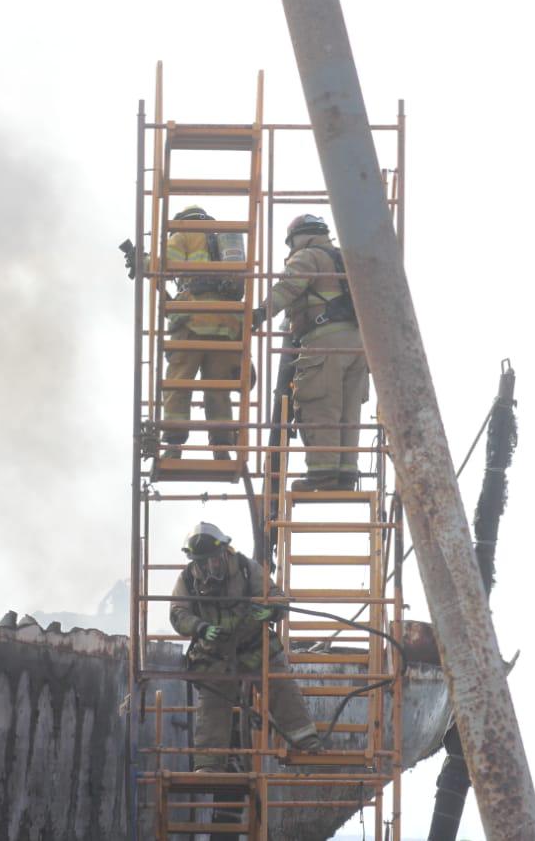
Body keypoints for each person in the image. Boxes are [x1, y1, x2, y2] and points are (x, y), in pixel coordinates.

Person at [169, 522, 322, 772]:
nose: (211, 567)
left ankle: (306, 741)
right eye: (204, 562)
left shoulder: (245, 568)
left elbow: (276, 595)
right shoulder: (187, 578)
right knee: (212, 703)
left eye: (215, 560)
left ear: (224, 552)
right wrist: (200, 628)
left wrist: (270, 610)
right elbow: (178, 612)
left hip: (253, 645)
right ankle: (209, 763)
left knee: (280, 685)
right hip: (214, 652)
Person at [255, 214, 368, 491]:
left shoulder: (308, 257)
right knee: (348, 412)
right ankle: (345, 476)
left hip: (324, 343)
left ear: (298, 238)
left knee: (321, 408)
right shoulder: (347, 258)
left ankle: (323, 476)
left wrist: (259, 315)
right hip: (360, 345)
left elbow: (287, 288)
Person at [161, 205, 243, 460]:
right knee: (218, 389)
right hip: (226, 325)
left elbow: (163, 265)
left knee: (179, 382)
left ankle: (174, 446)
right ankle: (222, 447)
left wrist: (141, 261)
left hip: (194, 320)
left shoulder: (183, 234)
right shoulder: (224, 238)